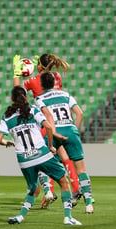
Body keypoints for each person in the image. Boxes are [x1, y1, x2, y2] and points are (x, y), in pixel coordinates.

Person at [0, 85, 81, 225]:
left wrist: (8, 143)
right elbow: (48, 126)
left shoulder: (6, 116)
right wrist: (51, 146)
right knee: (64, 182)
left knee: (33, 189)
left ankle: (20, 217)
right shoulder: (33, 110)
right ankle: (68, 217)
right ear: (25, 97)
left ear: (12, 99)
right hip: (42, 154)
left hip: (24, 159)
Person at [13, 53, 82, 208]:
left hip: (45, 122)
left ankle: (49, 191)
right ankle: (77, 188)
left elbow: (17, 91)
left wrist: (17, 73)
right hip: (62, 119)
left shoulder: (33, 81)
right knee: (64, 156)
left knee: (42, 158)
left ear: (39, 66)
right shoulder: (57, 76)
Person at [35, 72, 94, 214]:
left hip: (54, 132)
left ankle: (49, 190)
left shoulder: (39, 98)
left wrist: (53, 134)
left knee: (40, 163)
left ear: (41, 85)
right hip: (70, 129)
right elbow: (79, 113)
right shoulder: (66, 95)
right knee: (81, 170)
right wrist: (75, 130)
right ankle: (89, 204)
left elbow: (45, 118)